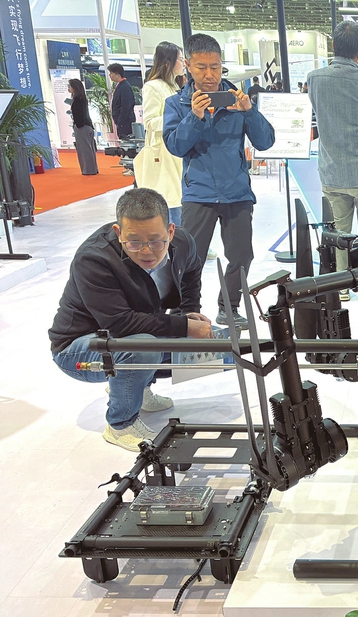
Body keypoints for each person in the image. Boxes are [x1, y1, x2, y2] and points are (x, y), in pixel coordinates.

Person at [48, 188, 212, 451]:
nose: (146, 251)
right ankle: (120, 424)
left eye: (156, 241)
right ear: (118, 232)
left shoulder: (183, 242)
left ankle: (138, 389)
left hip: (128, 333)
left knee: (210, 344)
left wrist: (189, 311)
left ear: (170, 232)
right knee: (141, 348)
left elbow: (192, 271)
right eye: (133, 242)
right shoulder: (94, 258)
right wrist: (184, 326)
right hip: (78, 347)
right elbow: (121, 325)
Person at [163, 33, 275, 328]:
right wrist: (195, 116)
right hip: (198, 193)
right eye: (201, 67)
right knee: (190, 257)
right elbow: (175, 146)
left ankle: (229, 307)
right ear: (188, 66)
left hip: (237, 192)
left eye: (215, 67)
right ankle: (188, 311)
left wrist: (249, 112)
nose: (210, 75)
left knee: (241, 256)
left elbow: (265, 142)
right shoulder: (177, 104)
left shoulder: (237, 99)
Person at [308, 20, 358, 303]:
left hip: (332, 171)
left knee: (338, 233)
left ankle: (341, 285)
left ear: (333, 45)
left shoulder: (314, 78)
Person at [137, 41, 186, 226]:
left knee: (178, 199)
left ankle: (182, 238)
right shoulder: (153, 87)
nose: (183, 63)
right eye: (180, 59)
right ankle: (175, 239)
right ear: (168, 62)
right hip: (162, 154)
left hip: (176, 151)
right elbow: (149, 122)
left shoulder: (174, 86)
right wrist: (176, 118)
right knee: (170, 201)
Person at [68, 78, 98, 176]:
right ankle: (93, 168)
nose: (68, 88)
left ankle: (88, 170)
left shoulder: (77, 100)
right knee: (89, 148)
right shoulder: (82, 98)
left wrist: (78, 125)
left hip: (82, 126)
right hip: (87, 126)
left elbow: (79, 114)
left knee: (84, 149)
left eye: (70, 86)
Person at [108, 63, 136, 139]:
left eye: (111, 73)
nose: (110, 75)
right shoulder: (120, 85)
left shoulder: (125, 87)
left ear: (118, 75)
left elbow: (125, 105)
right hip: (122, 122)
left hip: (125, 123)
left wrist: (120, 121)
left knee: (126, 142)